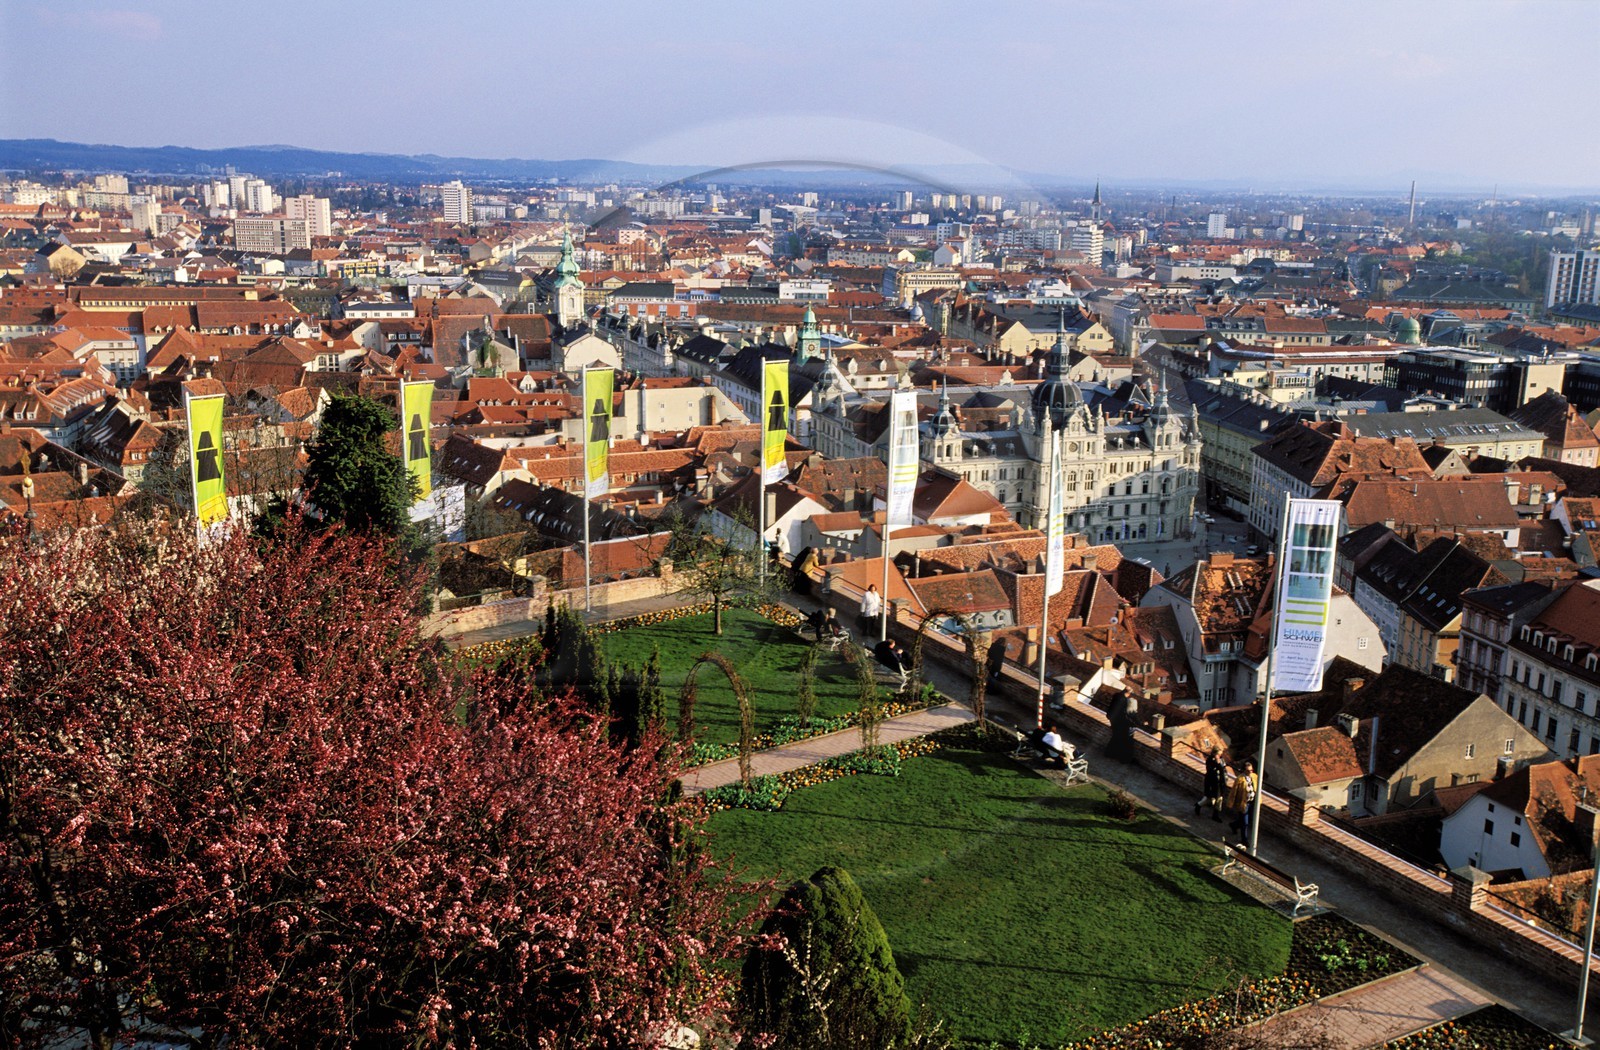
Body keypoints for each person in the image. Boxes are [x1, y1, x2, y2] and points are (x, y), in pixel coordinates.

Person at [1225, 761, 1259, 846]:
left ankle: (1234, 825)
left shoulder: (1254, 776)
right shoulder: (1240, 779)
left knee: (1249, 819)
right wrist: (1230, 803)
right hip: (1243, 803)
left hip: (1252, 802)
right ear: (1244, 770)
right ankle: (1244, 839)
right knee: (1245, 822)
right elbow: (1234, 792)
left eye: (1251, 770)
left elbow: (1257, 787)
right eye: (1248, 771)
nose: (1250, 772)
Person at [1196, 747, 1226, 822]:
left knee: (1219, 799)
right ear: (1214, 754)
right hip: (1212, 783)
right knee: (1210, 798)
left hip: (1220, 783)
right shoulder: (1210, 760)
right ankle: (1199, 805)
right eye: (1218, 754)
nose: (1219, 755)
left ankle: (1215, 815)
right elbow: (1213, 771)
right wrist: (1218, 763)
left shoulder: (1221, 759)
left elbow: (1223, 770)